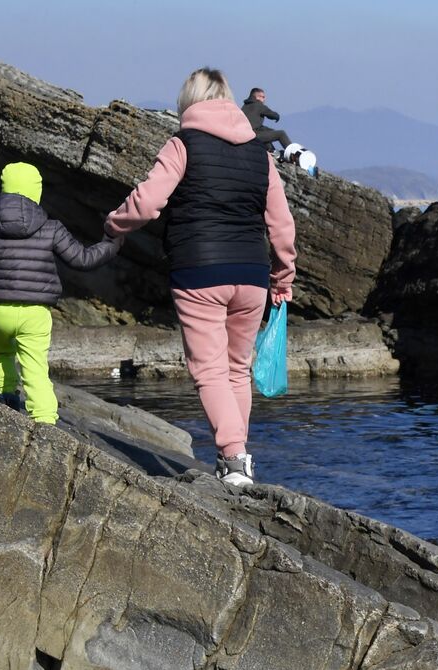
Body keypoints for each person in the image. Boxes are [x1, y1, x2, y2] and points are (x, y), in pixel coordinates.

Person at [106, 68, 297, 487]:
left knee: (209, 371)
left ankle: (233, 458)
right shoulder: (260, 155)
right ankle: (237, 459)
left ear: (188, 102)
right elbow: (282, 224)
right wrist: (283, 277)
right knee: (236, 371)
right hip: (251, 273)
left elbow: (146, 203)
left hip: (198, 270)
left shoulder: (183, 144)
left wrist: (113, 227)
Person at [0, 162, 121, 424]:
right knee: (35, 368)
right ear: (36, 192)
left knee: (0, 354)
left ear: (5, 191)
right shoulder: (50, 227)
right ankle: (44, 420)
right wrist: (111, 244)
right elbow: (82, 259)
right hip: (35, 312)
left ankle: (7, 397)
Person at [242, 87, 292, 152]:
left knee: (268, 131)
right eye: (263, 97)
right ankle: (293, 153)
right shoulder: (259, 105)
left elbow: (254, 125)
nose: (264, 99)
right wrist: (277, 116)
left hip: (245, 136)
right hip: (254, 135)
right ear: (257, 97)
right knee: (281, 134)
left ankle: (271, 151)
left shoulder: (244, 107)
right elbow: (272, 115)